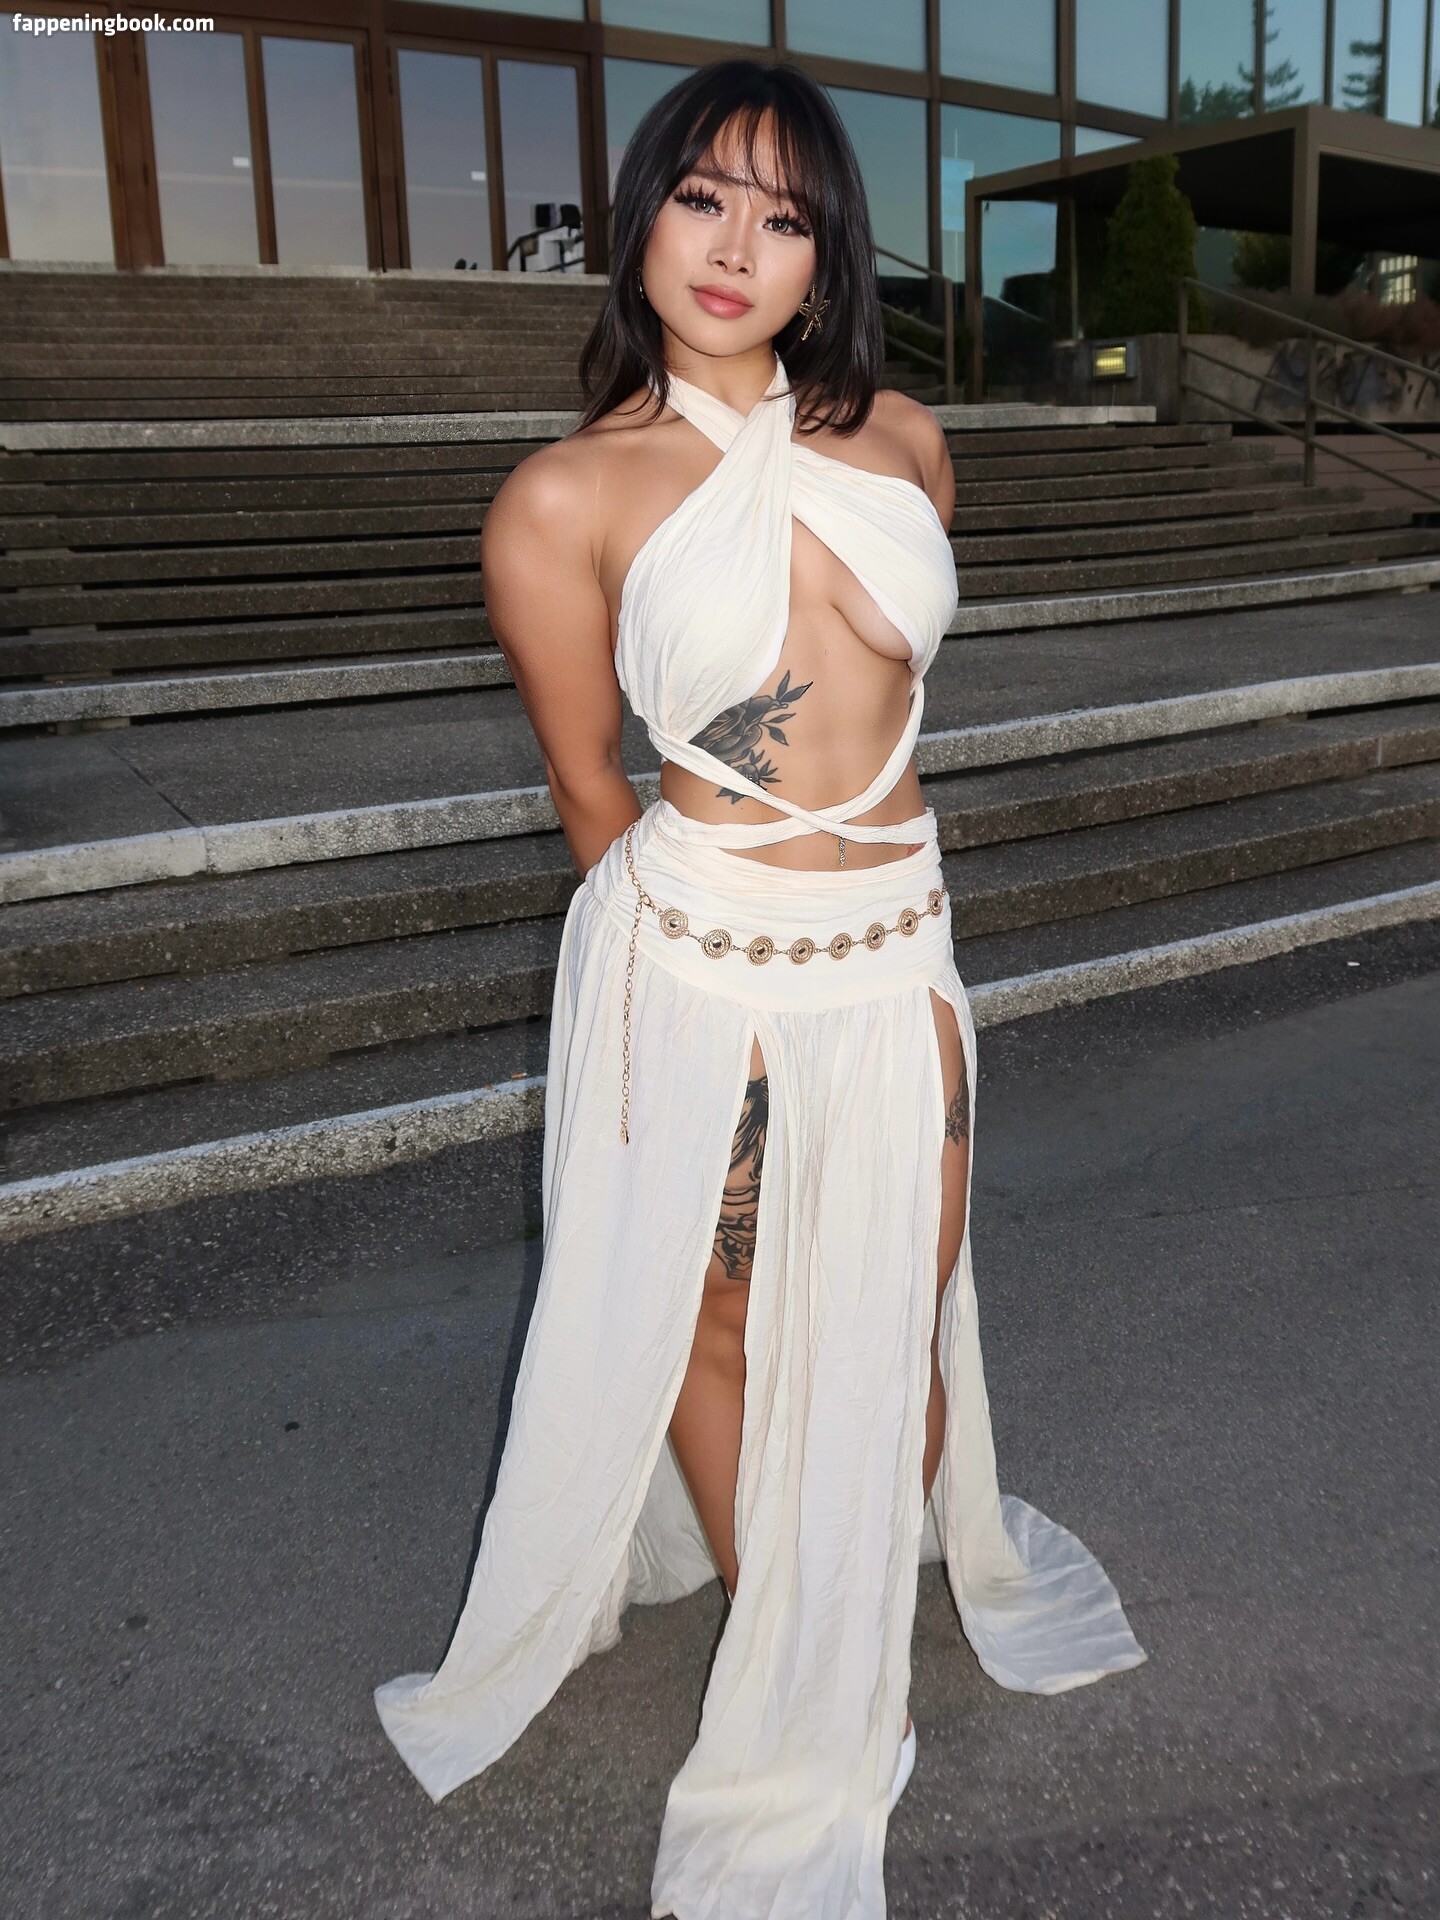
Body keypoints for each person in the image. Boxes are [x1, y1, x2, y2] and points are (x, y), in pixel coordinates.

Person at [375, 57, 1147, 1918]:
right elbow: (590, 784)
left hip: (896, 943)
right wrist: (686, 967)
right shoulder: (562, 499)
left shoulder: (905, 442)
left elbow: (896, 699)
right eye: (703, 196)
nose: (734, 246)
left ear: (827, 255)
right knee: (714, 1309)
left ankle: (863, 1556)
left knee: (909, 1285)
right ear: (642, 215)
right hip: (696, 949)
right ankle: (782, 1615)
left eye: (783, 215)